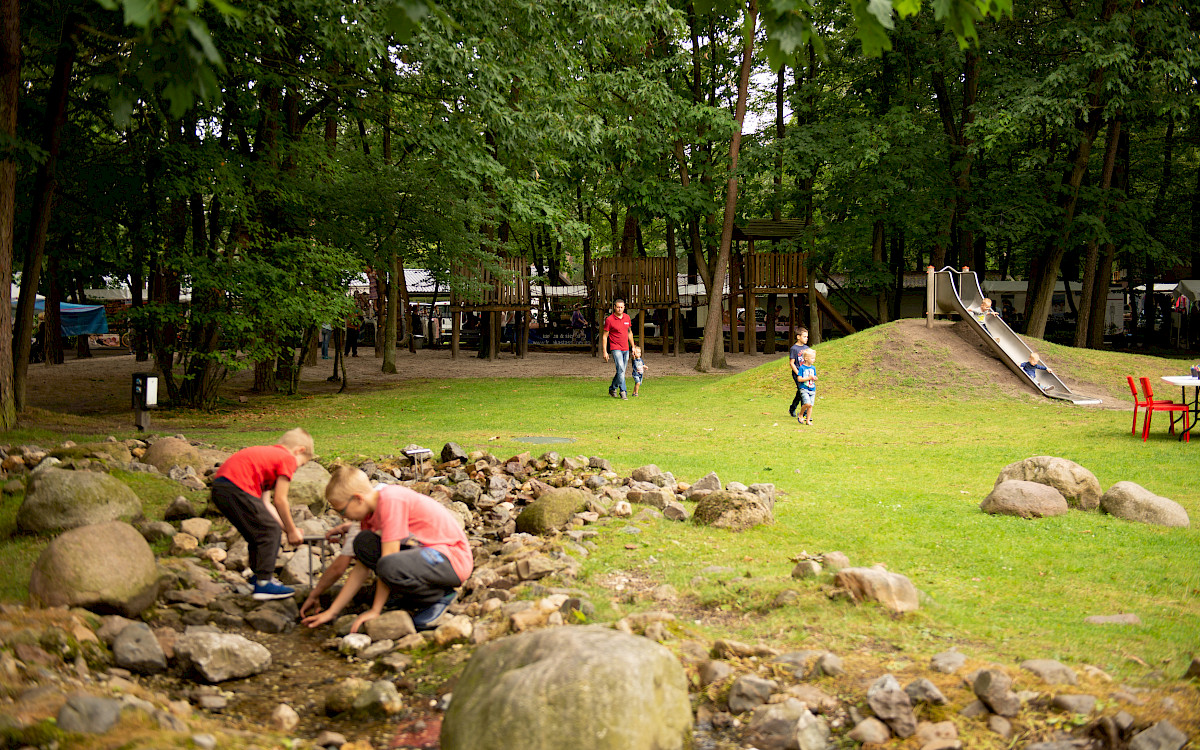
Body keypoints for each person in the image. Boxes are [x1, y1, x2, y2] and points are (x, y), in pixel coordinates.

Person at [301, 466, 472, 633]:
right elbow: (361, 569)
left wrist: (375, 610)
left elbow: (389, 559)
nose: (342, 517)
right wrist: (332, 612)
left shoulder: (391, 501)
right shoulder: (369, 516)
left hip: (452, 559)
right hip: (427, 556)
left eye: (342, 511)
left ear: (358, 499)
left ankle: (439, 597)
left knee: (387, 565)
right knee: (363, 542)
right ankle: (408, 595)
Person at [210, 428, 314, 600]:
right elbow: (280, 500)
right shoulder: (287, 458)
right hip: (236, 487)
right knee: (269, 531)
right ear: (299, 450)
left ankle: (257, 578)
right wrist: (291, 530)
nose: (296, 469)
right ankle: (265, 583)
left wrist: (288, 529)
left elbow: (266, 505)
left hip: (221, 488)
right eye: (301, 465)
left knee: (260, 531)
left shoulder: (268, 459)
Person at [601, 299, 633, 400]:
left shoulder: (627, 317)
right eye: (618, 307)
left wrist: (633, 346)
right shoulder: (609, 320)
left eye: (621, 307)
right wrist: (605, 351)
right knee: (621, 369)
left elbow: (629, 333)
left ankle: (612, 388)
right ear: (614, 307)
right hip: (615, 348)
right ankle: (623, 391)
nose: (620, 309)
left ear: (624, 308)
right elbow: (605, 336)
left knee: (621, 371)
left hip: (626, 347)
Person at [787, 328, 811, 418]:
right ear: (798, 337)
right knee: (803, 392)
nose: (806, 338)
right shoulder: (794, 349)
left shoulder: (806, 348)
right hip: (797, 374)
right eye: (804, 336)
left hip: (806, 374)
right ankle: (804, 413)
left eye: (807, 337)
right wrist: (798, 373)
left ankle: (792, 408)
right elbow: (792, 363)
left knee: (801, 392)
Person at [796, 348, 818, 425]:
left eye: (814, 358)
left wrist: (815, 378)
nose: (813, 360)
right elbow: (799, 379)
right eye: (812, 358)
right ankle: (801, 414)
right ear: (806, 358)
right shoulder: (802, 368)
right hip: (804, 388)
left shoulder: (813, 368)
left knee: (810, 405)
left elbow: (814, 377)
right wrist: (808, 378)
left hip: (812, 389)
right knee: (807, 403)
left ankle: (808, 420)